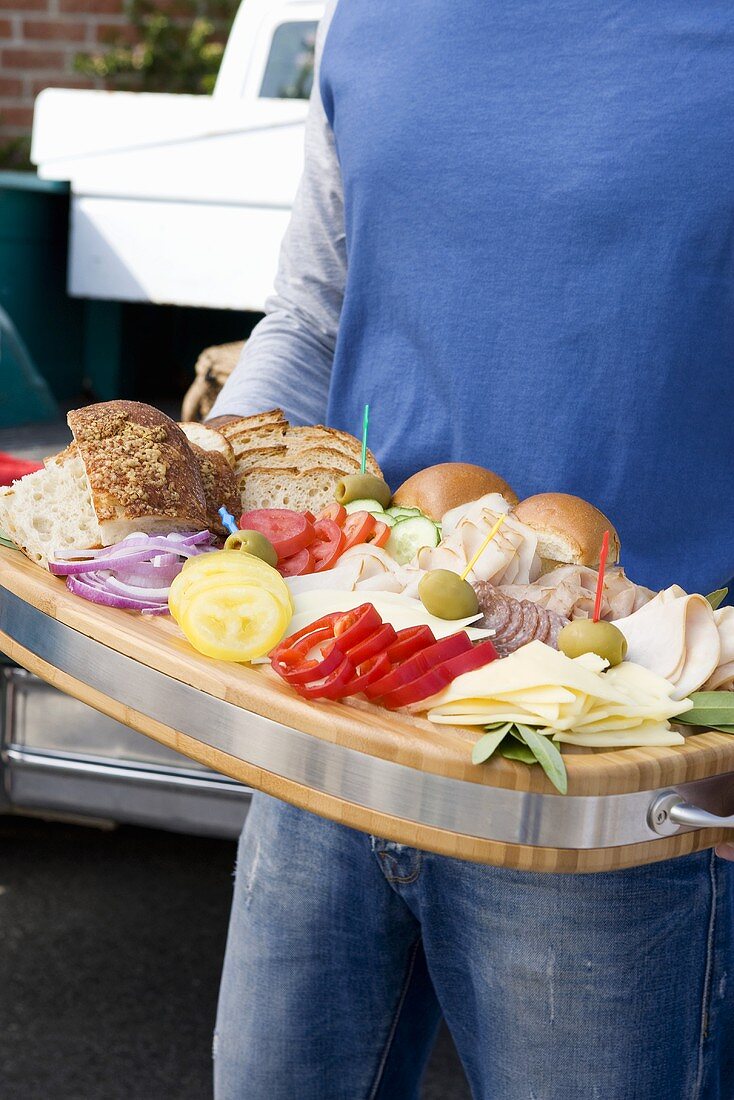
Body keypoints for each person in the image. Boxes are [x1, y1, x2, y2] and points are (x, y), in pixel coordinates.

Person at [208, 3, 734, 1097]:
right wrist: (207, 483)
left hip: (611, 772)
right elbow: (310, 318)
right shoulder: (377, 20)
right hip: (336, 701)